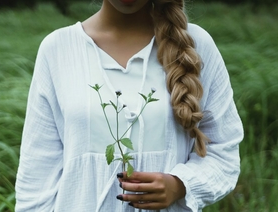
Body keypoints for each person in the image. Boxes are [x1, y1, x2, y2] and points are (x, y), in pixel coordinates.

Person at [15, 0, 244, 211]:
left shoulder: (196, 46)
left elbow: (224, 153)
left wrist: (180, 185)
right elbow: (36, 177)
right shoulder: (57, 49)